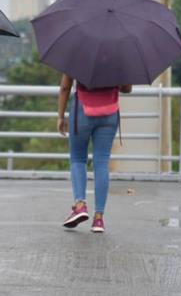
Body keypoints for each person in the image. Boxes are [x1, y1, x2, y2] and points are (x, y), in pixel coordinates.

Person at [57, 74, 132, 233]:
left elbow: (65, 87)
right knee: (102, 162)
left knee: (78, 159)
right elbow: (127, 88)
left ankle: (80, 205)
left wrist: (60, 116)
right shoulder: (120, 56)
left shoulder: (77, 52)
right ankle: (98, 219)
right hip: (109, 114)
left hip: (82, 111)